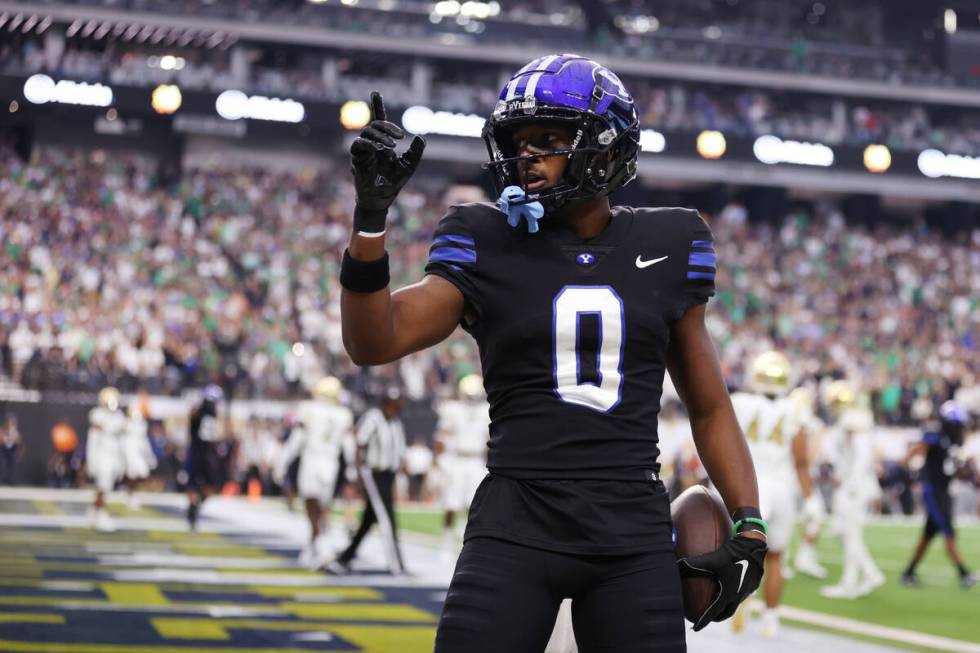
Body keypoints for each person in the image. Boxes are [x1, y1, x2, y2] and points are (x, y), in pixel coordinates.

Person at [340, 53, 766, 652]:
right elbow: (372, 340)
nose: (526, 156)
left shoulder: (671, 242)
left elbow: (709, 406)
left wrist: (748, 515)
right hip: (517, 517)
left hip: (630, 528)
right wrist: (370, 219)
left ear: (607, 146)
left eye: (548, 139)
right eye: (518, 140)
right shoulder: (482, 238)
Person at [728, 351, 823, 639]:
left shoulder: (741, 403)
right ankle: (771, 619)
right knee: (776, 558)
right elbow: (801, 461)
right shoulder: (795, 409)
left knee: (740, 549)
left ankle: (743, 593)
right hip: (781, 486)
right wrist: (811, 498)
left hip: (749, 483)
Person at [274, 376, 354, 569]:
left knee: (311, 505)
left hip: (313, 460)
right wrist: (351, 469)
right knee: (324, 507)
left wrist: (282, 463)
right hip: (331, 463)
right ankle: (312, 548)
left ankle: (321, 545)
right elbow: (348, 444)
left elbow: (297, 439)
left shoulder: (308, 409)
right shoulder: (344, 414)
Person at [329, 387, 407, 575]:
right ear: (385, 403)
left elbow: (398, 450)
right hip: (373, 473)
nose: (394, 409)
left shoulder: (395, 423)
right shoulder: (373, 418)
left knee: (368, 521)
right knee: (387, 519)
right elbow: (360, 443)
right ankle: (396, 565)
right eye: (392, 405)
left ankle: (344, 559)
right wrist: (358, 474)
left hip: (388, 475)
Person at [902, 401, 976, 589]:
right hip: (934, 490)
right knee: (949, 531)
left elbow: (954, 466)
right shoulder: (936, 434)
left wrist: (964, 471)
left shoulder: (954, 441)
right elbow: (918, 448)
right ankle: (964, 573)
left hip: (943, 490)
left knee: (927, 536)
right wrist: (906, 463)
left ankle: (908, 572)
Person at [821, 403, 885, 598]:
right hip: (853, 488)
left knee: (851, 536)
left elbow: (862, 461)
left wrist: (850, 486)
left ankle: (850, 583)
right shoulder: (854, 436)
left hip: (854, 491)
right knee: (842, 533)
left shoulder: (860, 437)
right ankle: (871, 574)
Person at [435, 373, 490, 558]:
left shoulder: (486, 410)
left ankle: (469, 545)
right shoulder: (453, 409)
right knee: (451, 504)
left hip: (476, 460)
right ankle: (446, 542)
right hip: (457, 460)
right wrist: (440, 462)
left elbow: (490, 439)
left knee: (474, 507)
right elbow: (441, 437)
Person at [86, 387, 128, 531]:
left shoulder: (119, 417)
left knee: (105, 487)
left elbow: (122, 441)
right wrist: (92, 460)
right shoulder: (97, 415)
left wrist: (123, 461)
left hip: (114, 454)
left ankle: (94, 511)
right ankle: (101, 515)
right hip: (102, 454)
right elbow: (93, 440)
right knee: (103, 486)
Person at [185, 384, 223, 531]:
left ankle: (193, 507)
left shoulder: (207, 412)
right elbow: (194, 423)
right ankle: (193, 509)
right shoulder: (203, 412)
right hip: (198, 452)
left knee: (209, 487)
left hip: (204, 453)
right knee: (195, 485)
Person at [0, 415, 24, 485]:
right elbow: (1, 441)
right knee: (2, 465)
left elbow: (19, 442)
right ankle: (1, 481)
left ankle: (11, 481)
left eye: (13, 422)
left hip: (12, 450)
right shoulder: (2, 430)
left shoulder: (15, 431)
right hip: (3, 450)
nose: (11, 424)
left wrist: (13, 437)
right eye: (10, 422)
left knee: (12, 466)